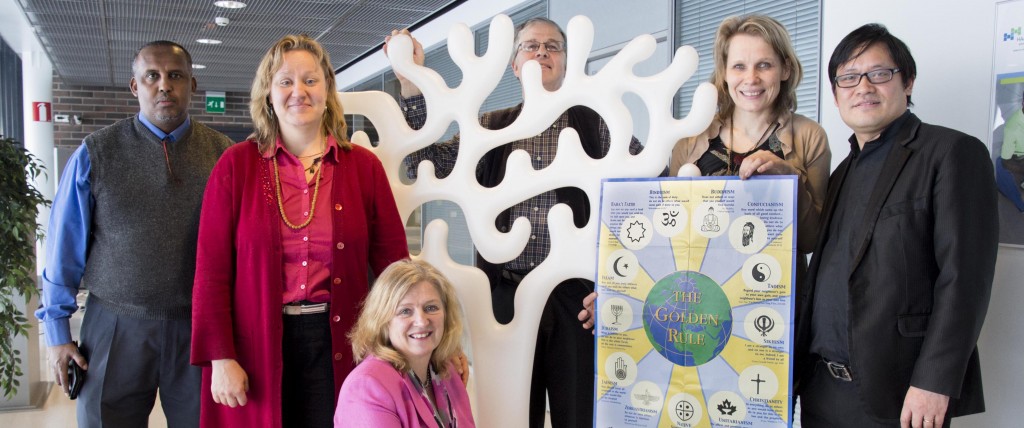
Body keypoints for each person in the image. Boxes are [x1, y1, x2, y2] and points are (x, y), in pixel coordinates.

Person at [384, 18, 644, 428]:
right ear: (513, 63)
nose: (542, 53)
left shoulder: (599, 125)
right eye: (530, 46)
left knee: (577, 412)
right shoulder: (491, 126)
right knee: (509, 413)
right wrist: (411, 84)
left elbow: (648, 191)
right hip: (505, 292)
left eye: (553, 47)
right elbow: (425, 162)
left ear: (567, 61)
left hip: (577, 300)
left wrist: (621, 284)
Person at [189, 34, 409, 428]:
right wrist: (221, 357)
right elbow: (211, 272)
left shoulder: (363, 167)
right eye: (285, 81)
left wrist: (421, 340)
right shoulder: (235, 166)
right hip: (256, 342)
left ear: (327, 89)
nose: (298, 92)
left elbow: (395, 268)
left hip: (342, 339)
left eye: (310, 80)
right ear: (268, 94)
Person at [794, 24, 998, 428]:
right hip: (821, 391)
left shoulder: (951, 153)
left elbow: (965, 279)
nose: (863, 86)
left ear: (907, 82)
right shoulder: (842, 171)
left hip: (899, 395)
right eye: (848, 78)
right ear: (836, 96)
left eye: (879, 73)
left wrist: (934, 382)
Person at [35, 40, 232, 427]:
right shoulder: (96, 153)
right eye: (152, 76)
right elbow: (64, 248)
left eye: (175, 76)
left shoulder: (223, 154)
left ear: (192, 85)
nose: (164, 86)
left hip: (198, 327)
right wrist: (58, 332)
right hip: (114, 326)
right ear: (134, 86)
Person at [335, 259, 475, 427]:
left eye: (431, 308)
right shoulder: (367, 387)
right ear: (383, 320)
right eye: (405, 311)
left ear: (446, 314)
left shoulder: (448, 370)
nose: (422, 321)